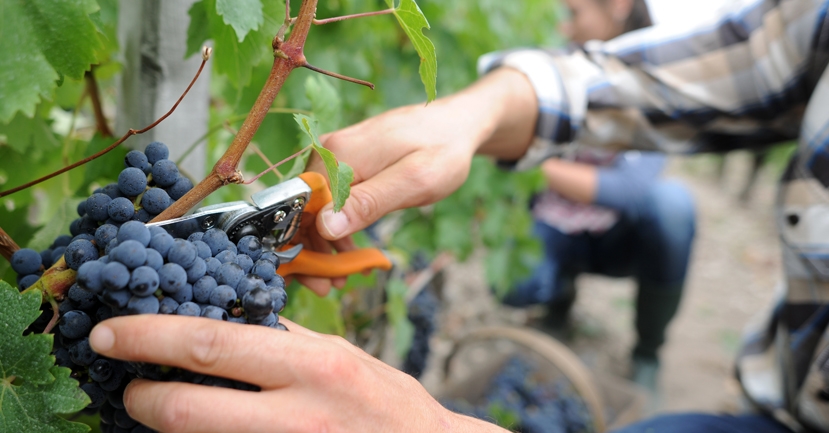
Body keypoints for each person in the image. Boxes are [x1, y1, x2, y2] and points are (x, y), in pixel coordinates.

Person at [88, 0, 829, 431]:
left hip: (621, 244)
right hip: (776, 399)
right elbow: (715, 70)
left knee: (664, 213)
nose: (570, 10)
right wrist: (474, 116)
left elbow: (633, 193)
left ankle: (642, 340)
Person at [501, 0, 696, 395]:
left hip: (615, 236)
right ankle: (560, 298)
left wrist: (534, 161)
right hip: (555, 219)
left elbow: (626, 189)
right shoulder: (555, 63)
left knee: (672, 206)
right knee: (515, 285)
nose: (564, 24)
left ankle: (647, 351)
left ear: (619, 6)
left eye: (574, 12)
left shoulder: (657, 76)